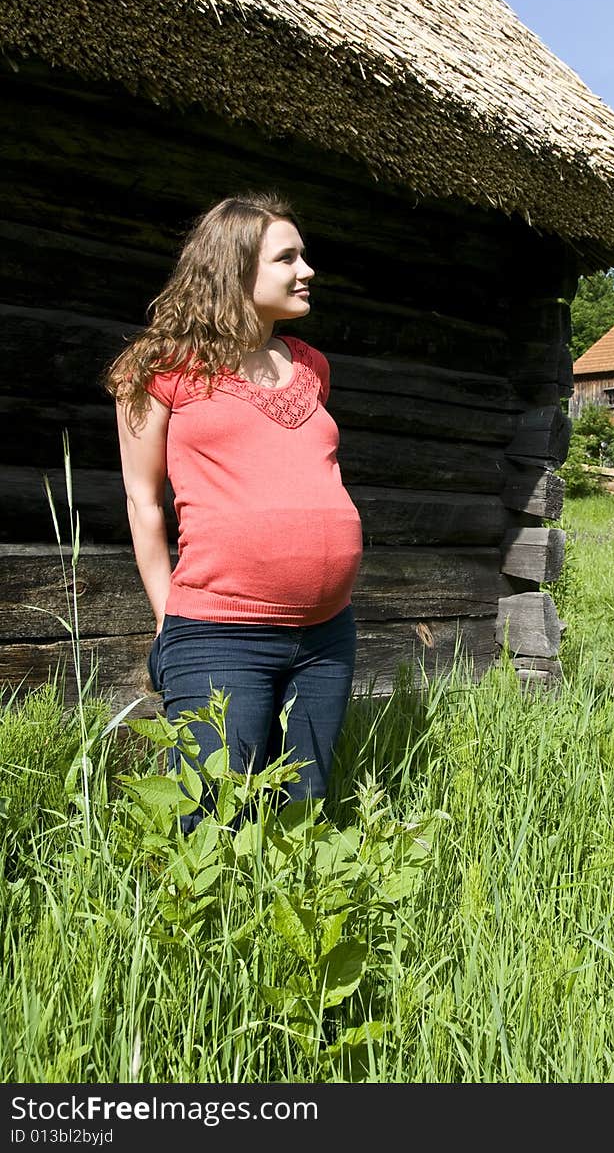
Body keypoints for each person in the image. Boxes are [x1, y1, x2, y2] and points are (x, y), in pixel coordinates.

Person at [105, 192, 363, 828]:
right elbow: (144, 501)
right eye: (287, 258)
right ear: (235, 269)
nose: (307, 271)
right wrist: (172, 621)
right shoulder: (158, 368)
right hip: (218, 633)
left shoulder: (311, 365)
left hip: (327, 633)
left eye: (304, 256)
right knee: (210, 820)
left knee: (303, 818)